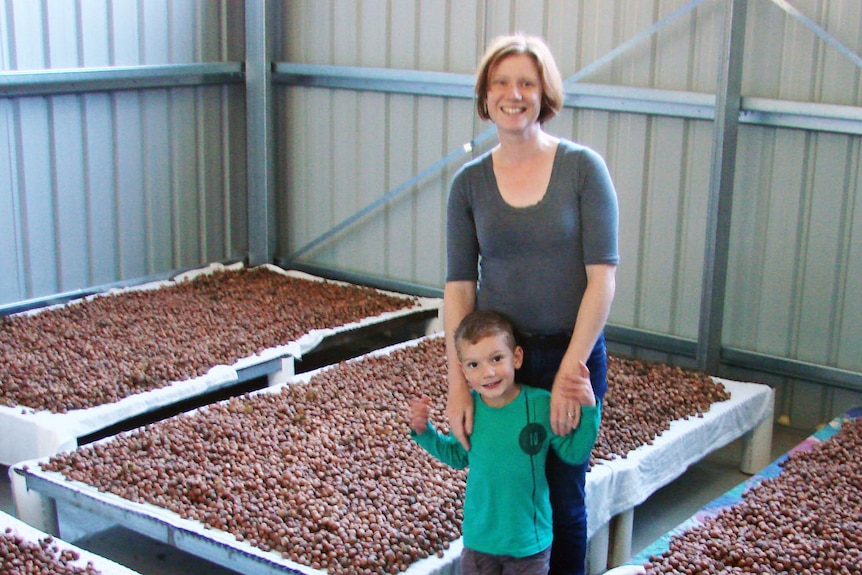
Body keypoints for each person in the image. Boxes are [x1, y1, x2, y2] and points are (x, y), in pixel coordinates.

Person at [444, 33, 619, 575]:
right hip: (500, 367)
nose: (512, 94)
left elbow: (602, 279)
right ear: (485, 94)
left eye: (526, 82)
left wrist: (571, 370)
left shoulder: (583, 170)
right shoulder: (468, 184)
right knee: (505, 485)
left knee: (562, 490)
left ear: (545, 93)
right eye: (500, 82)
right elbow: (458, 291)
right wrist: (458, 384)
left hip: (570, 356)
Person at [409, 310, 600, 575]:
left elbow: (574, 453)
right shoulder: (469, 410)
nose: (488, 372)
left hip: (528, 544)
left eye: (497, 358)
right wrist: (425, 432)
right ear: (462, 370)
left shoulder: (540, 405)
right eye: (474, 364)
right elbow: (456, 456)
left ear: (517, 357)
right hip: (479, 542)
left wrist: (590, 409)